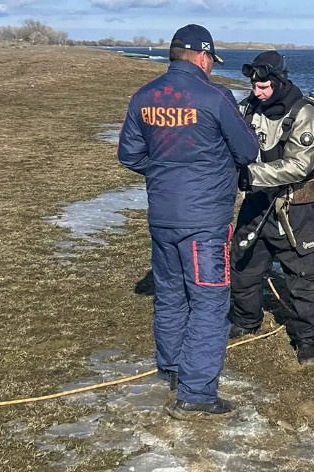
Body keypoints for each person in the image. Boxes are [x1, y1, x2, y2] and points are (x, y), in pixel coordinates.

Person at [118, 24, 259, 418]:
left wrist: (166, 174)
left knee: (171, 295)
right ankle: (196, 393)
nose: (212, 66)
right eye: (212, 59)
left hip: (162, 216)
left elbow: (129, 156)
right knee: (210, 303)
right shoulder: (215, 97)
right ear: (202, 57)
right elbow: (247, 150)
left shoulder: (143, 97)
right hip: (205, 221)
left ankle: (172, 368)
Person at [229, 50, 314, 365]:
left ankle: (306, 341)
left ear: (280, 81)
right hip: (256, 203)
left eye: (264, 87)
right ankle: (246, 321)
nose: (257, 92)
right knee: (243, 266)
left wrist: (249, 175)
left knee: (302, 275)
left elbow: (299, 166)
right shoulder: (247, 108)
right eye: (253, 86)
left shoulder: (305, 115)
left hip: (295, 209)